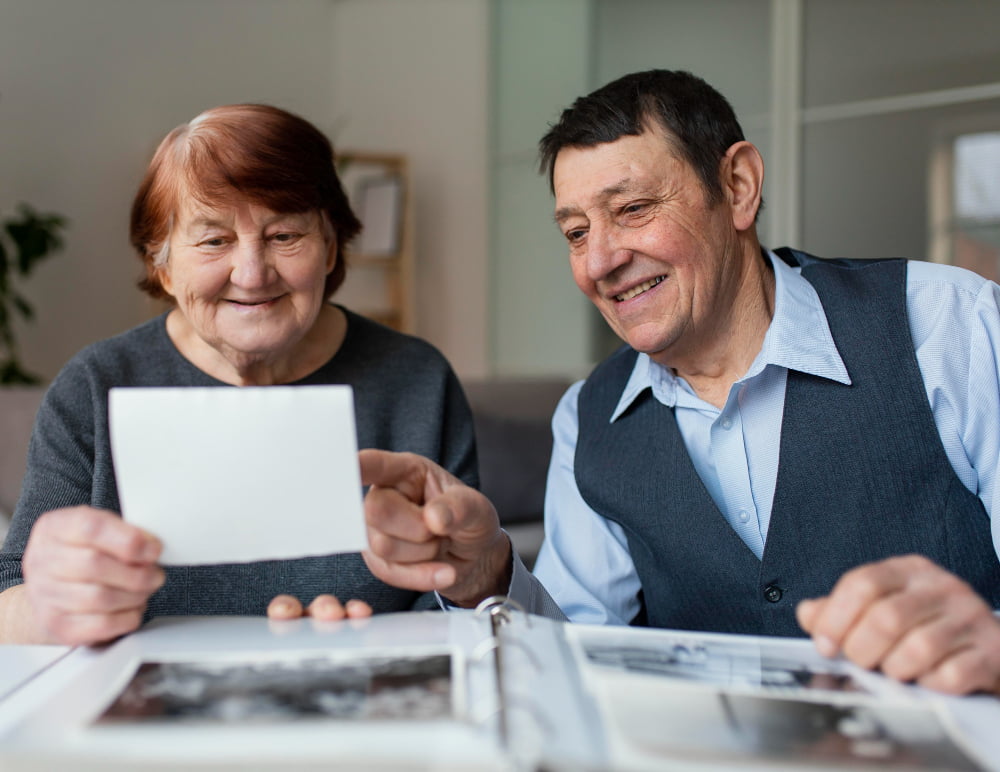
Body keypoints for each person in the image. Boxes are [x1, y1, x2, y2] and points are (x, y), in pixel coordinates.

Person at [357, 70, 1000, 696]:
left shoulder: (946, 324)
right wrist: (487, 575)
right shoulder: (590, 416)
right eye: (576, 233)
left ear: (739, 187)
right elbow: (570, 659)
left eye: (633, 209)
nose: (600, 262)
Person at [0, 104, 477, 646]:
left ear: (329, 248)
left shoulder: (418, 379)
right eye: (213, 241)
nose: (252, 274)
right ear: (163, 265)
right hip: (152, 714)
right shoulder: (94, 386)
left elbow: (464, 600)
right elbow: (9, 599)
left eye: (284, 236)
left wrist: (373, 641)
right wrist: (53, 601)